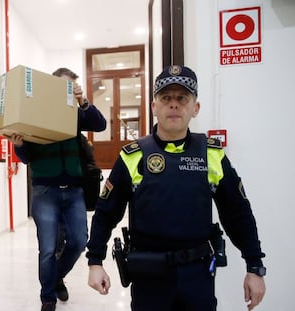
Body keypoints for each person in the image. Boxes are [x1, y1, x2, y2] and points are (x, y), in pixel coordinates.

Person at [86, 65, 266, 311]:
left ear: (195, 108)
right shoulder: (133, 156)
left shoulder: (211, 154)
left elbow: (238, 213)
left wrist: (254, 267)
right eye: (166, 98)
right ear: (154, 107)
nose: (174, 104)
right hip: (148, 274)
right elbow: (106, 213)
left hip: (197, 274)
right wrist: (95, 261)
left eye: (182, 98)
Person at [8, 67, 106, 311]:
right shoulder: (34, 112)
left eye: (71, 86)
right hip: (45, 191)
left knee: (78, 242)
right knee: (48, 249)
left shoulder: (75, 113)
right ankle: (48, 298)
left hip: (74, 191)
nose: (67, 91)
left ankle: (56, 276)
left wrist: (83, 101)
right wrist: (18, 146)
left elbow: (100, 124)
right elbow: (27, 156)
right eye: (63, 86)